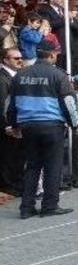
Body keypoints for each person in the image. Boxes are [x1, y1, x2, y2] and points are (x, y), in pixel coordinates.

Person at [7, 39, 78, 219]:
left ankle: (26, 207)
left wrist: (14, 125)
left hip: (28, 127)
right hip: (51, 126)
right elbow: (69, 103)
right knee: (53, 167)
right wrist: (74, 124)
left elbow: (10, 104)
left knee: (32, 166)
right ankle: (49, 206)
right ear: (52, 54)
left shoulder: (20, 75)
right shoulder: (58, 75)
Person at [0, 47, 25, 197]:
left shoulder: (17, 75)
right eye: (16, 58)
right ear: (5, 60)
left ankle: (15, 183)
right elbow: (2, 104)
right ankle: (8, 186)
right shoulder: (3, 79)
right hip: (7, 125)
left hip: (17, 123)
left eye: (21, 57)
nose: (20, 60)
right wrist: (8, 125)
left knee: (17, 156)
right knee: (8, 156)